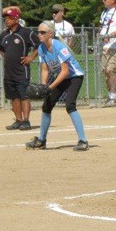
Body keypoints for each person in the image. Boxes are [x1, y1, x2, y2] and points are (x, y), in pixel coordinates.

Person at [25, 21, 89, 151]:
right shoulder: (41, 48)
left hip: (74, 77)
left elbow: (65, 71)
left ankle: (83, 141)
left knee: (70, 105)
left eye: (42, 32)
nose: (39, 34)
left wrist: (50, 87)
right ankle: (41, 140)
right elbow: (45, 70)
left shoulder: (59, 47)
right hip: (61, 77)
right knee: (47, 105)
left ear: (50, 34)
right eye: (38, 32)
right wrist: (44, 86)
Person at [0, 7, 39, 130]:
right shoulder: (4, 35)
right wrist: (8, 58)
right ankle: (18, 120)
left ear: (16, 19)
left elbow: (39, 45)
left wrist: (31, 57)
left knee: (23, 95)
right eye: (6, 18)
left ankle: (26, 121)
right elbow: (0, 47)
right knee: (13, 96)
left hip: (22, 70)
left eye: (9, 18)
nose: (7, 20)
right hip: (9, 71)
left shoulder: (26, 33)